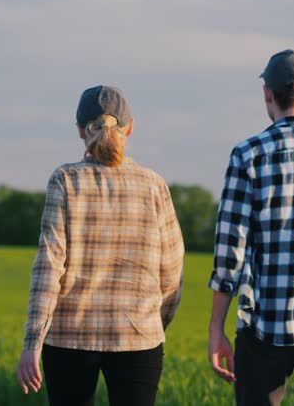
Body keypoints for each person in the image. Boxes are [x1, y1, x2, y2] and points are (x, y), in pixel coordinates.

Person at [18, 85, 185, 406]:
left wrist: (32, 341)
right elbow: (172, 269)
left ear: (80, 130)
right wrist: (154, 322)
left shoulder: (64, 180)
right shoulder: (154, 184)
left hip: (69, 337)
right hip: (139, 337)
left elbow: (49, 265)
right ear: (130, 127)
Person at [207, 50, 294, 405]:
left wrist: (216, 329)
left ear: (268, 94)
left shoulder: (248, 154)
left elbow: (229, 252)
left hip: (263, 327)